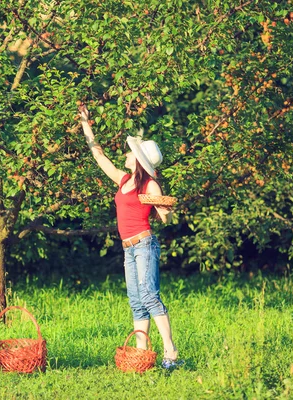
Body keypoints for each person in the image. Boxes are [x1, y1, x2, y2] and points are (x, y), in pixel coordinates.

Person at [78, 104, 180, 368]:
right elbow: (99, 157)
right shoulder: (124, 181)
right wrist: (86, 125)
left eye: (130, 152)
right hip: (128, 248)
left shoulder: (150, 184)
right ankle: (142, 355)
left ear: (137, 159)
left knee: (148, 295)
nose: (126, 154)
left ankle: (170, 352)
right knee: (136, 301)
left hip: (145, 244)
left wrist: (165, 210)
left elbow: (165, 218)